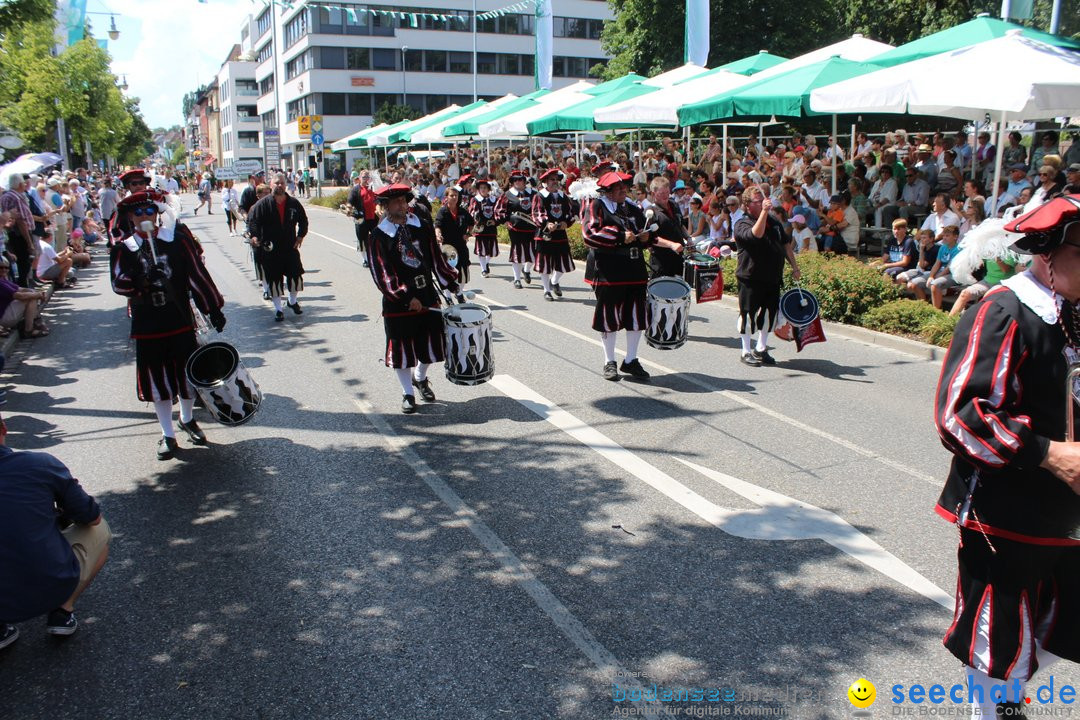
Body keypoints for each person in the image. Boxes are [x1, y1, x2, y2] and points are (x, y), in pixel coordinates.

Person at [933, 194, 1080, 719]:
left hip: (1069, 515)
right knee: (999, 634)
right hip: (1006, 512)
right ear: (1047, 253)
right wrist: (1048, 454)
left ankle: (1009, 695)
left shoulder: (1074, 309)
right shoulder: (1004, 310)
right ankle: (995, 708)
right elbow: (962, 414)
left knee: (1063, 624)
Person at [109, 191, 227, 459]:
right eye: (138, 213)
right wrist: (141, 278)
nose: (144, 217)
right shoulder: (124, 249)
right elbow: (118, 283)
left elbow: (197, 275)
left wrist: (213, 307)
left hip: (179, 320)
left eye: (149, 211)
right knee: (158, 382)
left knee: (187, 376)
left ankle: (187, 419)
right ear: (129, 217)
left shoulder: (176, 241)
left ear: (157, 213)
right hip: (148, 325)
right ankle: (167, 434)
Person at [0, 410, 111, 645]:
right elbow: (92, 517)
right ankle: (63, 609)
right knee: (100, 532)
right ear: (4, 429)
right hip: (49, 582)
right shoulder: (38, 464)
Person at [365, 183, 460, 414]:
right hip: (398, 301)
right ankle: (407, 393)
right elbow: (382, 274)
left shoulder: (422, 226)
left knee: (430, 342)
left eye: (403, 200)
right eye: (396, 202)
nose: (401, 205)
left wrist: (451, 282)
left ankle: (420, 377)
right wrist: (405, 297)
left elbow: (436, 259)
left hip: (426, 294)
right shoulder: (378, 236)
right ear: (386, 206)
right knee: (402, 349)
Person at [581, 171, 656, 381]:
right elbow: (589, 234)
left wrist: (647, 236)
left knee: (636, 316)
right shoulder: (597, 206)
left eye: (625, 187)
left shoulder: (632, 208)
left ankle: (631, 360)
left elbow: (645, 230)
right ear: (607, 191)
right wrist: (621, 236)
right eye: (618, 188)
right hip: (609, 271)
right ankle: (609, 361)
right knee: (609, 318)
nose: (624, 190)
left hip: (635, 271)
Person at [733, 186, 801, 367]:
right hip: (750, 277)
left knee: (770, 314)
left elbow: (786, 245)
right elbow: (756, 234)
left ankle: (761, 348)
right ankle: (746, 350)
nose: (763, 202)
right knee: (748, 314)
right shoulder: (742, 223)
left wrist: (794, 267)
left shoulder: (774, 222)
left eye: (762, 199)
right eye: (757, 201)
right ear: (747, 205)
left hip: (772, 276)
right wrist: (764, 212)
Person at [247, 173, 308, 322]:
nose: (279, 185)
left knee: (295, 276)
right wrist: (254, 237)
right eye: (276, 183)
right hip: (271, 249)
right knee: (274, 279)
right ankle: (278, 309)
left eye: (282, 183)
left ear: (286, 185)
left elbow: (303, 220)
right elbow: (254, 222)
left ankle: (292, 302)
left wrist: (300, 236)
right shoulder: (262, 204)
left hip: (290, 247)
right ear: (271, 184)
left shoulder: (293, 203)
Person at [531, 169, 577, 301]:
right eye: (552, 179)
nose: (555, 182)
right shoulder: (539, 196)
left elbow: (571, 213)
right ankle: (546, 290)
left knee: (563, 263)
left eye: (556, 179)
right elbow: (537, 213)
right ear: (546, 182)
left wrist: (566, 223)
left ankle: (555, 281)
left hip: (560, 235)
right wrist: (546, 223)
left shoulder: (563, 196)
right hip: (545, 234)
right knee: (545, 264)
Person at [498, 170, 536, 289]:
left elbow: (541, 208)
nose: (518, 182)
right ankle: (517, 279)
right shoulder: (507, 195)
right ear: (512, 182)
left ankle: (526, 270)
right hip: (516, 229)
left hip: (532, 228)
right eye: (515, 180)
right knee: (517, 254)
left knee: (534, 253)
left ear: (525, 181)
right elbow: (499, 210)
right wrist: (506, 221)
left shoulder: (533, 194)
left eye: (520, 179)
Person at [434, 184, 473, 300]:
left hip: (461, 245)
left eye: (456, 195)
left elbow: (472, 223)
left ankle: (459, 293)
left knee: (464, 269)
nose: (454, 198)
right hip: (448, 247)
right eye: (451, 195)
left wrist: (468, 234)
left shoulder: (462, 211)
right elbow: (437, 225)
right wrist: (438, 235)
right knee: (447, 272)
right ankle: (448, 296)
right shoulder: (443, 211)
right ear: (446, 197)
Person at [0, 256, 47, 338]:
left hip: (5, 311)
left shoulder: (3, 280)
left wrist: (34, 292)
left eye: (6, 267)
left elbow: (20, 289)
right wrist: (38, 295)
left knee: (31, 294)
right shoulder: (1, 284)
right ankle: (29, 330)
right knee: (30, 298)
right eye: (1, 267)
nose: (4, 269)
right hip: (3, 317)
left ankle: (35, 320)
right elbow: (19, 296)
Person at [467, 177, 502, 278]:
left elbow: (498, 212)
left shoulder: (493, 199)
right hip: (481, 228)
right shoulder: (475, 200)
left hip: (491, 227)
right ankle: (483, 269)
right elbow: (471, 212)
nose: (483, 189)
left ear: (488, 189)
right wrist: (476, 218)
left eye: (485, 188)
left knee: (491, 251)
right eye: (481, 188)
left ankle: (486, 263)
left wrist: (495, 221)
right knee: (481, 250)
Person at [347, 170, 377, 268]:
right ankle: (365, 259)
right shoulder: (356, 189)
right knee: (362, 239)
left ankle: (376, 257)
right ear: (359, 178)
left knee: (376, 238)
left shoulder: (374, 188)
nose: (366, 179)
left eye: (367, 177)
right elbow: (350, 201)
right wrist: (348, 208)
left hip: (374, 218)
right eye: (364, 177)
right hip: (361, 218)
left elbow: (380, 200)